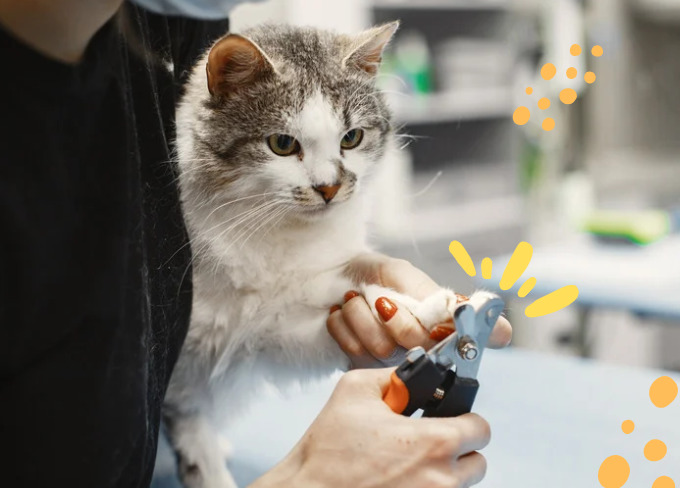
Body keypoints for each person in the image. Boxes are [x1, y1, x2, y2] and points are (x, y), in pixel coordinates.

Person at [0, 1, 512, 487]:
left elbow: (263, 330)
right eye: (286, 144)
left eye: (350, 141)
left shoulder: (171, 23)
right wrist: (306, 477)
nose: (329, 182)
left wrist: (372, 294)